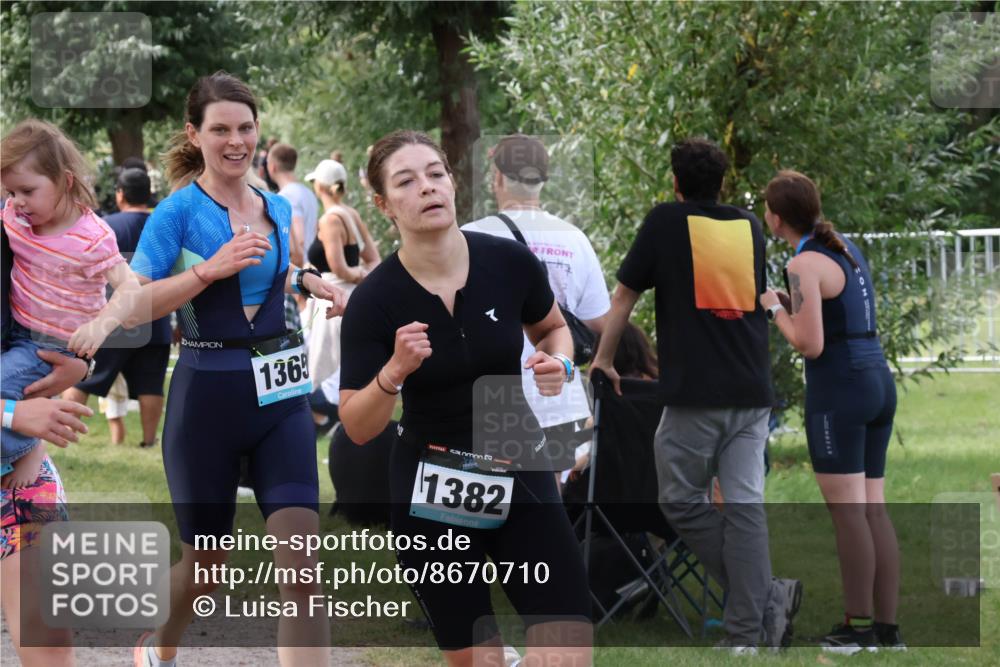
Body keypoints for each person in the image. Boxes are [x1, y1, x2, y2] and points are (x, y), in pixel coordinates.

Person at [339, 130, 592, 667]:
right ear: (384, 205)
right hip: (433, 475)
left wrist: (560, 362)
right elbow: (358, 426)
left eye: (435, 174)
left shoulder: (509, 261)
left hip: (516, 451)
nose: (427, 188)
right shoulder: (375, 300)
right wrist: (392, 374)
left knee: (567, 646)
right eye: (406, 181)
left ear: (453, 183)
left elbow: (553, 328)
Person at [127, 71, 346, 667]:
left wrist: (310, 280)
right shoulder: (174, 214)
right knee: (206, 568)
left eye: (245, 128)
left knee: (302, 569)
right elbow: (132, 306)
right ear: (194, 134)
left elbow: (279, 273)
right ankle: (161, 646)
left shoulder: (276, 205)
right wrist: (206, 271)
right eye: (220, 129)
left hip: (281, 399)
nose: (235, 141)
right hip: (206, 401)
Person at [590, 138, 801, 653]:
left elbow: (623, 298)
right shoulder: (747, 226)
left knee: (679, 502)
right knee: (745, 507)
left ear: (676, 182)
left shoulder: (665, 221)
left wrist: (602, 359)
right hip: (751, 390)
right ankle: (750, 629)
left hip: (696, 393)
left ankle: (763, 598)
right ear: (723, 183)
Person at [759, 170, 901, 653]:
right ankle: (887, 630)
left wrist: (772, 309)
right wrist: (791, 305)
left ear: (775, 218)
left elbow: (810, 343)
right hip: (877, 381)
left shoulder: (802, 264)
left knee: (848, 516)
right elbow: (835, 312)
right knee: (873, 510)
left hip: (840, 391)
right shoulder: (843, 247)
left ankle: (856, 629)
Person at [1, 119, 141, 489]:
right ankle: (27, 443)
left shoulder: (91, 237)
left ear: (65, 181)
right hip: (17, 327)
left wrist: (100, 326)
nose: (16, 202)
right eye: (11, 192)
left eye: (27, 191)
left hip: (49, 343)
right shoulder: (15, 215)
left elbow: (129, 288)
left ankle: (28, 446)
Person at [462, 134, 609, 466]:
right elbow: (599, 321)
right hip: (560, 395)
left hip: (492, 394)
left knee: (490, 496)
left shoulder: (470, 237)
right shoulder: (576, 239)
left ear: (497, 178)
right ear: (543, 181)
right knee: (549, 502)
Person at [1, 193, 94, 667]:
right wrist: (10, 414)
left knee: (49, 641)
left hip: (18, 476)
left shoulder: (15, 222)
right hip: (17, 428)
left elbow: (53, 321)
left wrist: (77, 363)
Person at [64, 167, 169, 449]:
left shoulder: (106, 225)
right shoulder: (163, 225)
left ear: (120, 194)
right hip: (157, 313)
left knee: (84, 378)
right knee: (151, 383)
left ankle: (65, 436)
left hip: (116, 315)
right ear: (149, 194)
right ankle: (148, 441)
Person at [302, 158, 380, 388]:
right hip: (352, 296)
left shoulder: (330, 220)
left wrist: (356, 275)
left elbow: (339, 268)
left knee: (325, 368)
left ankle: (332, 417)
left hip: (330, 299)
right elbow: (374, 258)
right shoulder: (350, 214)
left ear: (320, 186)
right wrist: (364, 277)